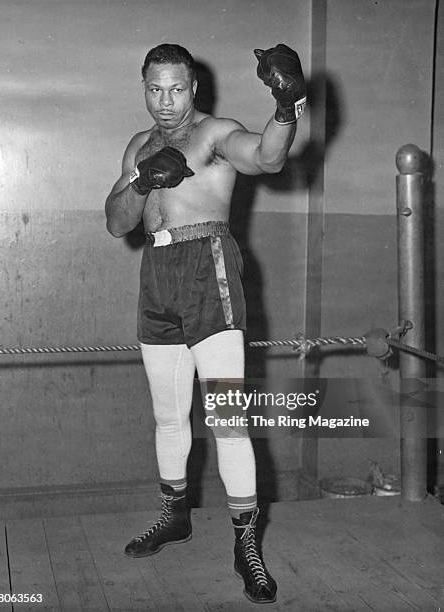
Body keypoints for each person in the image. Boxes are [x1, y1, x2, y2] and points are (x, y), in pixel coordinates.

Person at [105, 42, 305, 605]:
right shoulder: (139, 146)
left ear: (195, 87)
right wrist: (142, 182)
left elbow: (266, 158)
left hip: (208, 270)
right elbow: (116, 222)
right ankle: (175, 516)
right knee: (168, 416)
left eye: (176, 89)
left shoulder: (215, 134)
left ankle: (246, 546)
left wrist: (287, 105)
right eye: (154, 89)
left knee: (226, 417)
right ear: (144, 88)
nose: (165, 101)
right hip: (157, 276)